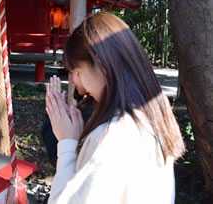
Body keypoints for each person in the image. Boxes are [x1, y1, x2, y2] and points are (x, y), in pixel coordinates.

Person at [45, 12, 185, 204]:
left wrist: (67, 144)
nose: (75, 81)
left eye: (76, 72)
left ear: (101, 65)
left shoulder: (110, 136)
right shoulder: (152, 117)